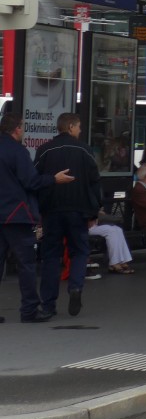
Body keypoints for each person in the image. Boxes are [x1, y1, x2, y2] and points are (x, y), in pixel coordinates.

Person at [0, 111, 73, 323]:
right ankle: (29, 310)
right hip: (18, 216)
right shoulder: (18, 151)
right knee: (27, 263)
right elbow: (31, 182)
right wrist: (54, 179)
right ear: (17, 129)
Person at [34, 112, 101, 318]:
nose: (80, 131)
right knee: (79, 251)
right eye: (79, 126)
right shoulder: (85, 150)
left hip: (51, 211)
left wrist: (39, 211)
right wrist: (94, 210)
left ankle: (48, 305)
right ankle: (75, 287)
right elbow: (94, 182)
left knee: (51, 256)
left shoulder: (44, 150)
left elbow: (35, 180)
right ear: (70, 126)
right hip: (78, 211)